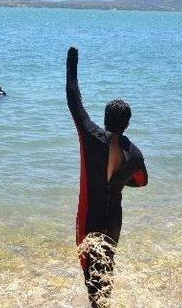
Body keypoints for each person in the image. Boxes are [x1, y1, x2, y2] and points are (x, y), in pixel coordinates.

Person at [66, 47, 148, 307]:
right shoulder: (134, 153)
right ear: (128, 123)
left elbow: (73, 99)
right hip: (114, 219)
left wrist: (72, 65)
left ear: (104, 118)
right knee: (106, 267)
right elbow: (142, 181)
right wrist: (118, 182)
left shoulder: (90, 135)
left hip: (90, 216)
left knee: (90, 272)